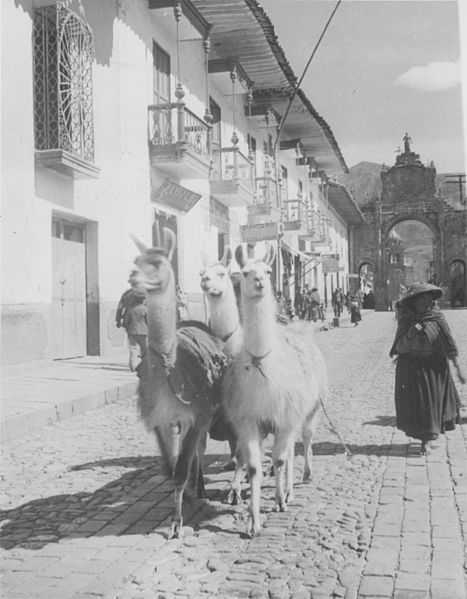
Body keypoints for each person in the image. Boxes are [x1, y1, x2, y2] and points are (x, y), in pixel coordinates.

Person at [390, 282, 465, 455]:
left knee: (432, 406)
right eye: (422, 299)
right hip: (412, 369)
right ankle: (425, 440)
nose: (427, 303)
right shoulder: (407, 320)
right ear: (414, 301)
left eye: (429, 300)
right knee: (420, 406)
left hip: (435, 369)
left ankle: (428, 439)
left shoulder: (437, 318)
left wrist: (458, 369)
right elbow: (399, 348)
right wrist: (411, 334)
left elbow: (448, 343)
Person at [116, 270, 148, 371]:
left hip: (129, 322)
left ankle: (134, 363)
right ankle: (144, 364)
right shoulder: (146, 293)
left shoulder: (127, 294)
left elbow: (120, 308)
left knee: (133, 345)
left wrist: (118, 319)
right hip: (144, 324)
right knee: (144, 346)